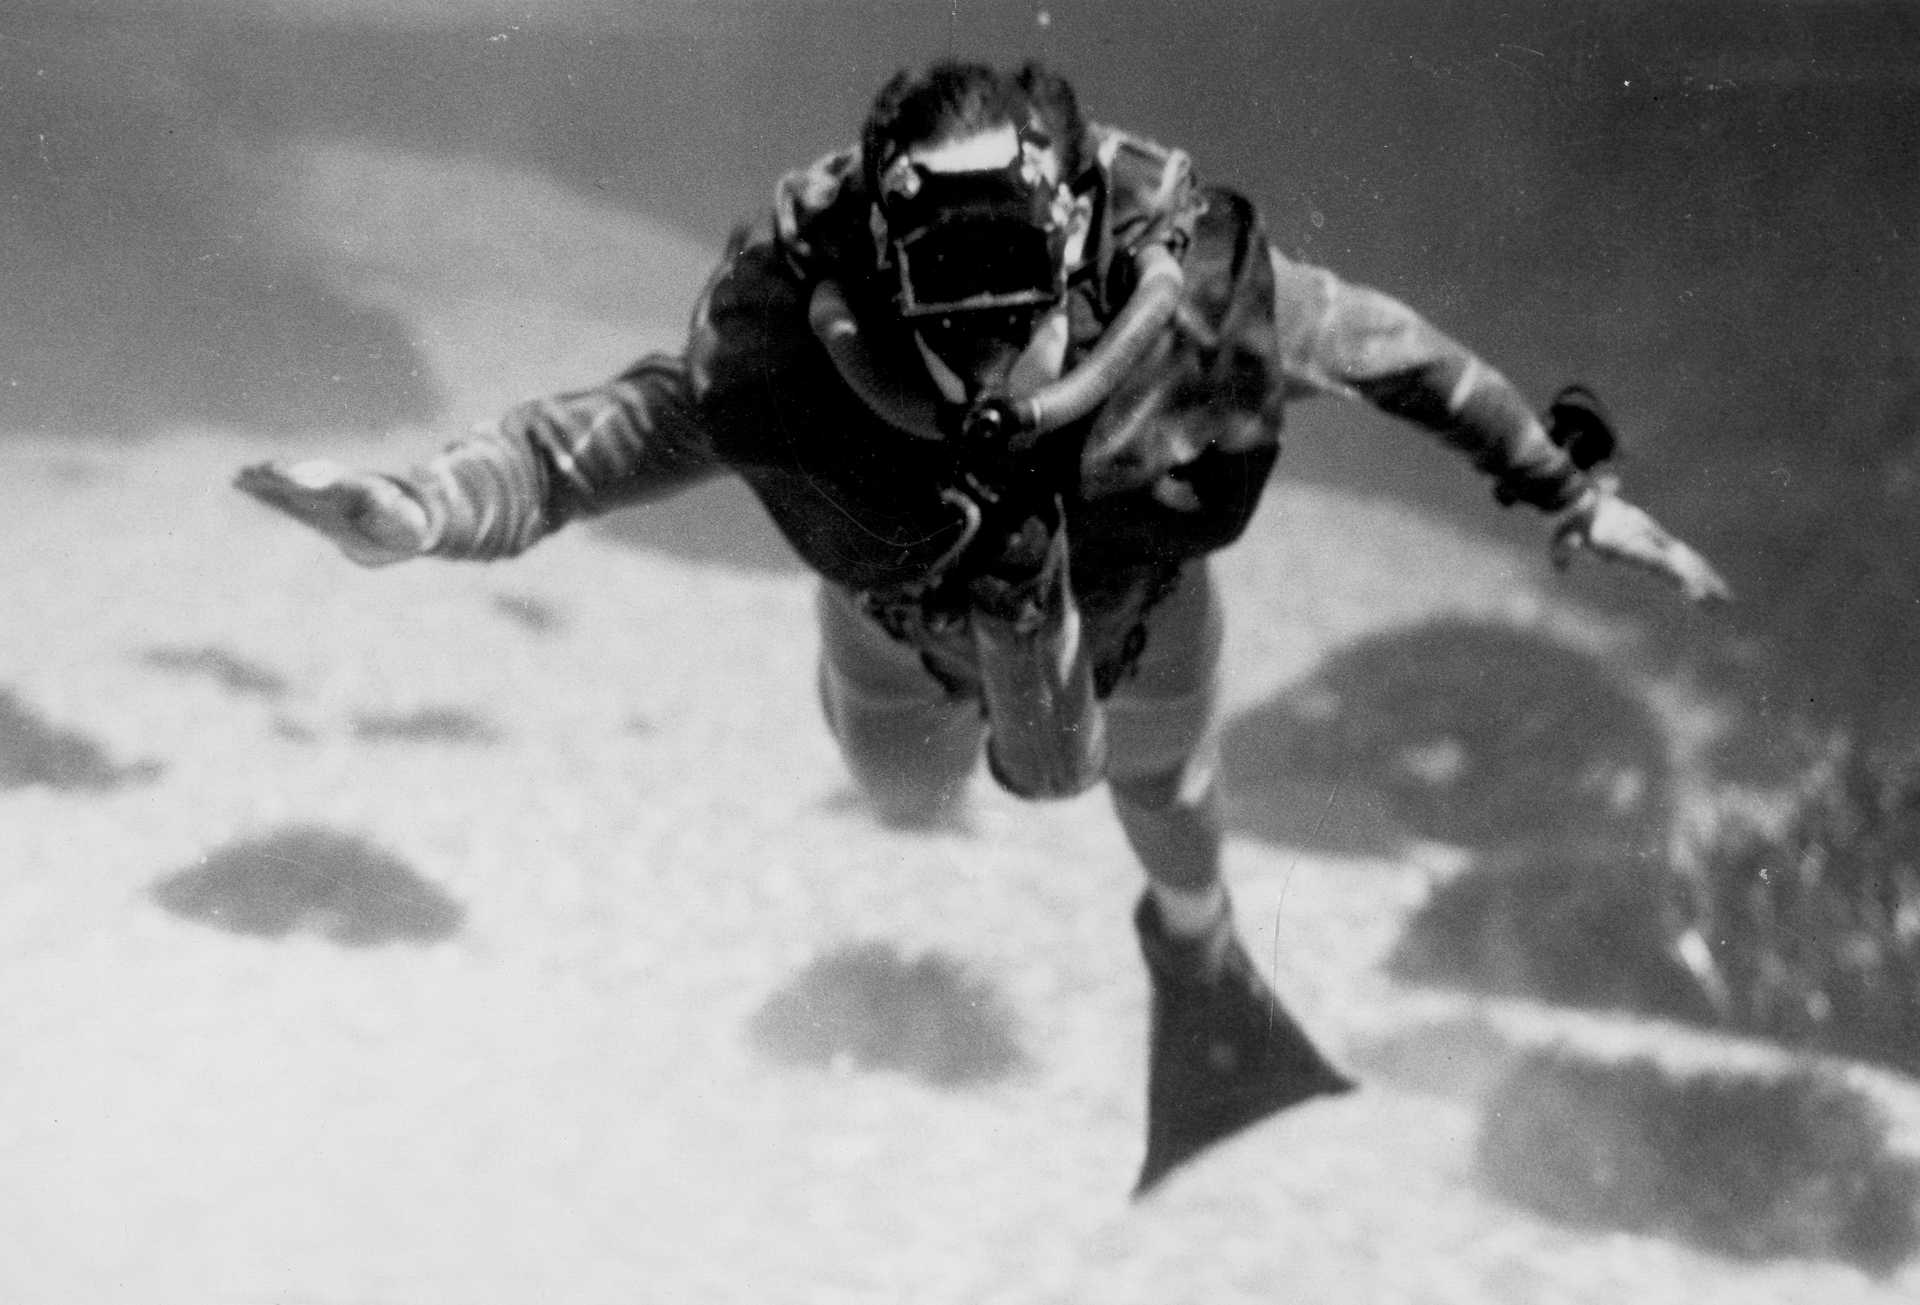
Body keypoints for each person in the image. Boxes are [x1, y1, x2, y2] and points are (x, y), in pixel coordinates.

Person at [237, 60, 1730, 1196]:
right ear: (876, 268)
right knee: (907, 788)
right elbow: (587, 445)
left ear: (1083, 234)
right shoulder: (790, 346)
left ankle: (1199, 965)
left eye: (1010, 291)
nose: (982, 351)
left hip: (1134, 609)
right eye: (940, 299)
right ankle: (1103, 850)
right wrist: (420, 508)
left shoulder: (1198, 296)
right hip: (895, 623)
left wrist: (1561, 485)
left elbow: (1397, 351)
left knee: (1171, 798)